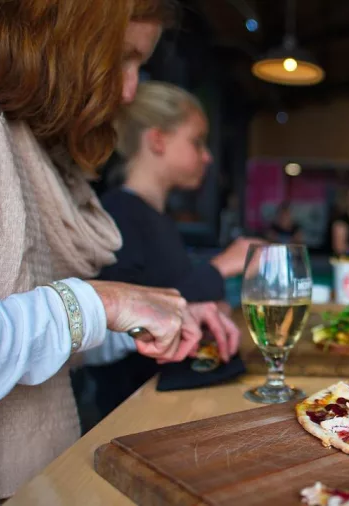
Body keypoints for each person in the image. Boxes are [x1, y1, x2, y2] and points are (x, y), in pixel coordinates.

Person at [0, 1, 235, 503]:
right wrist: (103, 304)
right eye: (121, 56)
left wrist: (134, 319)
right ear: (60, 25)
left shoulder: (14, 134)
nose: (129, 90)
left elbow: (44, 339)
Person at [81, 81, 250, 423]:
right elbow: (114, 326)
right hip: (130, 412)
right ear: (157, 140)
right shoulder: (117, 215)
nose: (207, 155)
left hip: (166, 403)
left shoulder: (156, 218)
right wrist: (220, 267)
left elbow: (168, 298)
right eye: (196, 141)